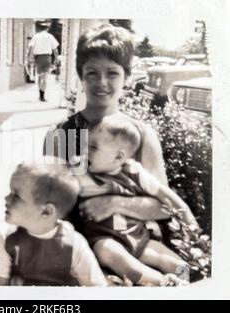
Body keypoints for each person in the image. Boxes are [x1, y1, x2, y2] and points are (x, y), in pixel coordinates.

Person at [44, 23, 171, 235]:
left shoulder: (141, 135)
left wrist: (114, 203)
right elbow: (50, 203)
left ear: (127, 77)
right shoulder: (61, 133)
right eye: (92, 73)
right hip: (74, 245)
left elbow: (165, 206)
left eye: (112, 73)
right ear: (81, 77)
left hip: (133, 245)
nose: (101, 82)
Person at [77, 114, 197, 285]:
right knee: (109, 253)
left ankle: (191, 284)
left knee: (173, 261)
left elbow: (166, 195)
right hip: (104, 237)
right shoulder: (83, 171)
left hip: (138, 237)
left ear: (118, 157)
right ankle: (160, 282)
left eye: (93, 147)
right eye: (84, 145)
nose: (84, 151)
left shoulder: (134, 171)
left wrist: (191, 225)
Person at [0, 160, 107, 286]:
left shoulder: (74, 245)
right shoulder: (7, 239)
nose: (6, 199)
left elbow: (97, 291)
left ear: (46, 212)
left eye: (16, 196)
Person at [27, 20, 59, 102]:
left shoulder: (36, 36)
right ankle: (43, 96)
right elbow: (55, 49)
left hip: (38, 58)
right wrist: (56, 58)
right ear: (46, 28)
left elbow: (30, 48)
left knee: (40, 77)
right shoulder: (50, 36)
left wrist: (29, 58)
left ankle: (40, 95)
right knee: (45, 78)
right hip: (47, 58)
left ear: (39, 28)